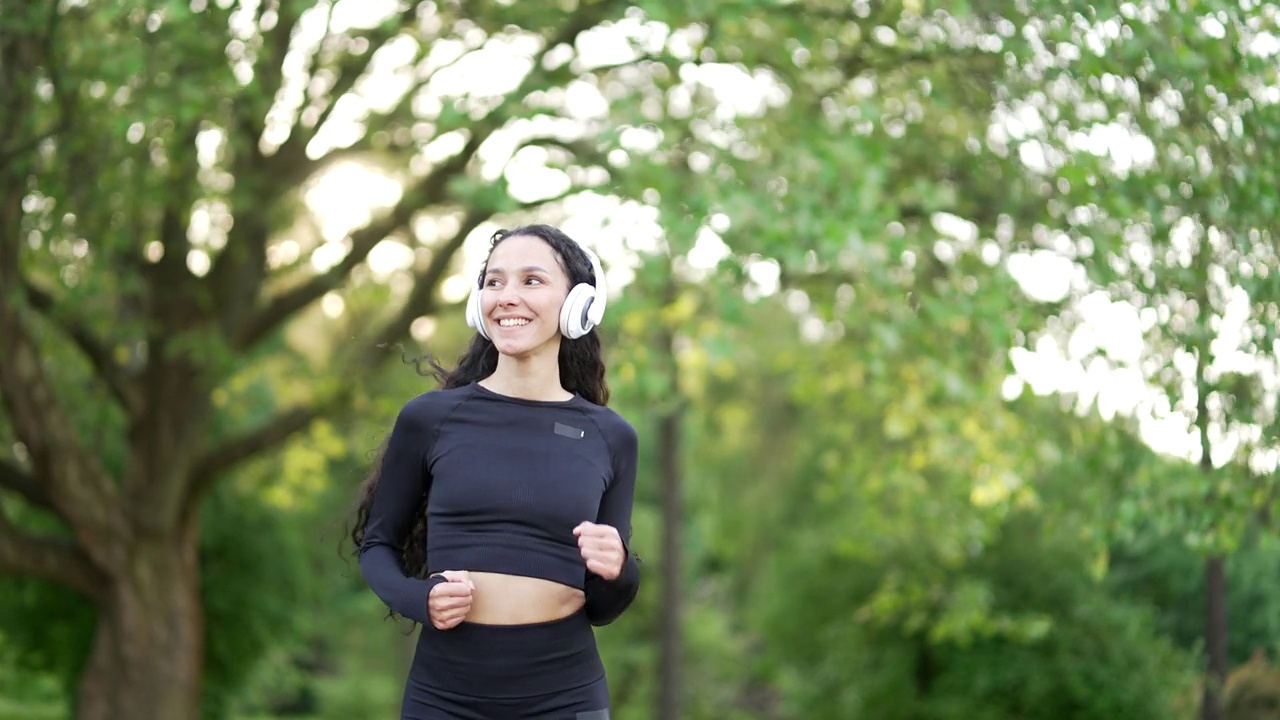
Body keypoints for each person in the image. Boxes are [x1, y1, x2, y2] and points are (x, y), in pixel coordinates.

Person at [349, 224, 641, 720]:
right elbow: (377, 545)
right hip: (446, 694)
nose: (507, 297)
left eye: (532, 281)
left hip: (564, 695)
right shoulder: (430, 420)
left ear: (580, 306)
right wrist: (420, 598)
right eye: (494, 281)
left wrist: (619, 568)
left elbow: (604, 608)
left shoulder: (611, 437)